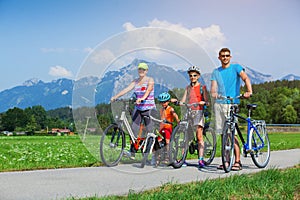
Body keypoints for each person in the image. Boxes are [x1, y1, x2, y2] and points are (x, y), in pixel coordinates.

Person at [211, 47, 252, 171]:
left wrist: (249, 90)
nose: (225, 58)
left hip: (232, 103)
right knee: (224, 134)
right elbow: (213, 87)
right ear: (219, 57)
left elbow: (245, 78)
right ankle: (226, 160)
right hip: (219, 103)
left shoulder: (236, 67)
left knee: (232, 133)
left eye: (227, 55)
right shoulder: (216, 72)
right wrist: (213, 93)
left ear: (230, 57)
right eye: (222, 56)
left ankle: (237, 161)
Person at [111, 62, 156, 159]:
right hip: (138, 108)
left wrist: (142, 98)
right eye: (140, 69)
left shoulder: (150, 80)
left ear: (146, 71)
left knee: (150, 131)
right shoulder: (135, 82)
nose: (141, 71)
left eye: (143, 69)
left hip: (149, 108)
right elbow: (126, 90)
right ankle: (132, 152)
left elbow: (148, 91)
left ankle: (150, 152)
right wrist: (115, 96)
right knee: (134, 129)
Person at [172, 66, 209, 168]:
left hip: (198, 112)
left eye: (194, 75)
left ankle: (201, 159)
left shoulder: (203, 88)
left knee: (199, 136)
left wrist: (203, 102)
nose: (192, 77)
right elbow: (184, 100)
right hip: (189, 111)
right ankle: (182, 159)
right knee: (186, 137)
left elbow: (208, 102)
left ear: (198, 76)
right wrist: (178, 102)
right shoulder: (188, 88)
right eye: (191, 76)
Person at [156, 92, 180, 165]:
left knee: (167, 142)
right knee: (158, 141)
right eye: (162, 102)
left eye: (165, 102)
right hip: (161, 127)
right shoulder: (161, 110)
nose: (163, 104)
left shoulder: (170, 109)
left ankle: (168, 156)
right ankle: (158, 156)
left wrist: (178, 121)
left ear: (168, 102)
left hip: (168, 127)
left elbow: (174, 114)